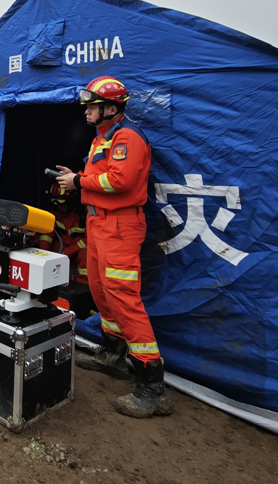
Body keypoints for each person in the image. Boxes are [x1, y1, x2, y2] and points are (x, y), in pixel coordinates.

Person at [55, 75, 172, 418]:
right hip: (98, 223)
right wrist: (76, 179)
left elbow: (120, 181)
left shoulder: (127, 137)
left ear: (110, 108)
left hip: (120, 225)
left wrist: (78, 180)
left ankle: (153, 385)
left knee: (122, 295)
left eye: (92, 106)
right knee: (100, 289)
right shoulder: (102, 138)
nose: (86, 111)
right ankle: (112, 354)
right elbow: (100, 178)